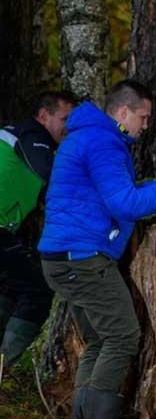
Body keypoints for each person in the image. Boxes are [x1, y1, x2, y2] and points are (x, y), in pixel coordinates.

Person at [39, 80, 156, 419]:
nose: (146, 125)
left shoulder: (88, 137)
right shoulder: (103, 142)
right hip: (81, 258)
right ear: (123, 113)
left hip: (64, 258)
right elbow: (124, 203)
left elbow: (110, 198)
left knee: (99, 340)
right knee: (123, 336)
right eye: (143, 117)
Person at [0, 91, 77, 368]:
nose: (69, 127)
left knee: (10, 286)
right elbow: (50, 174)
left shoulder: (24, 138)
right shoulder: (34, 135)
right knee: (38, 291)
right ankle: (5, 369)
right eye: (65, 119)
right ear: (44, 116)